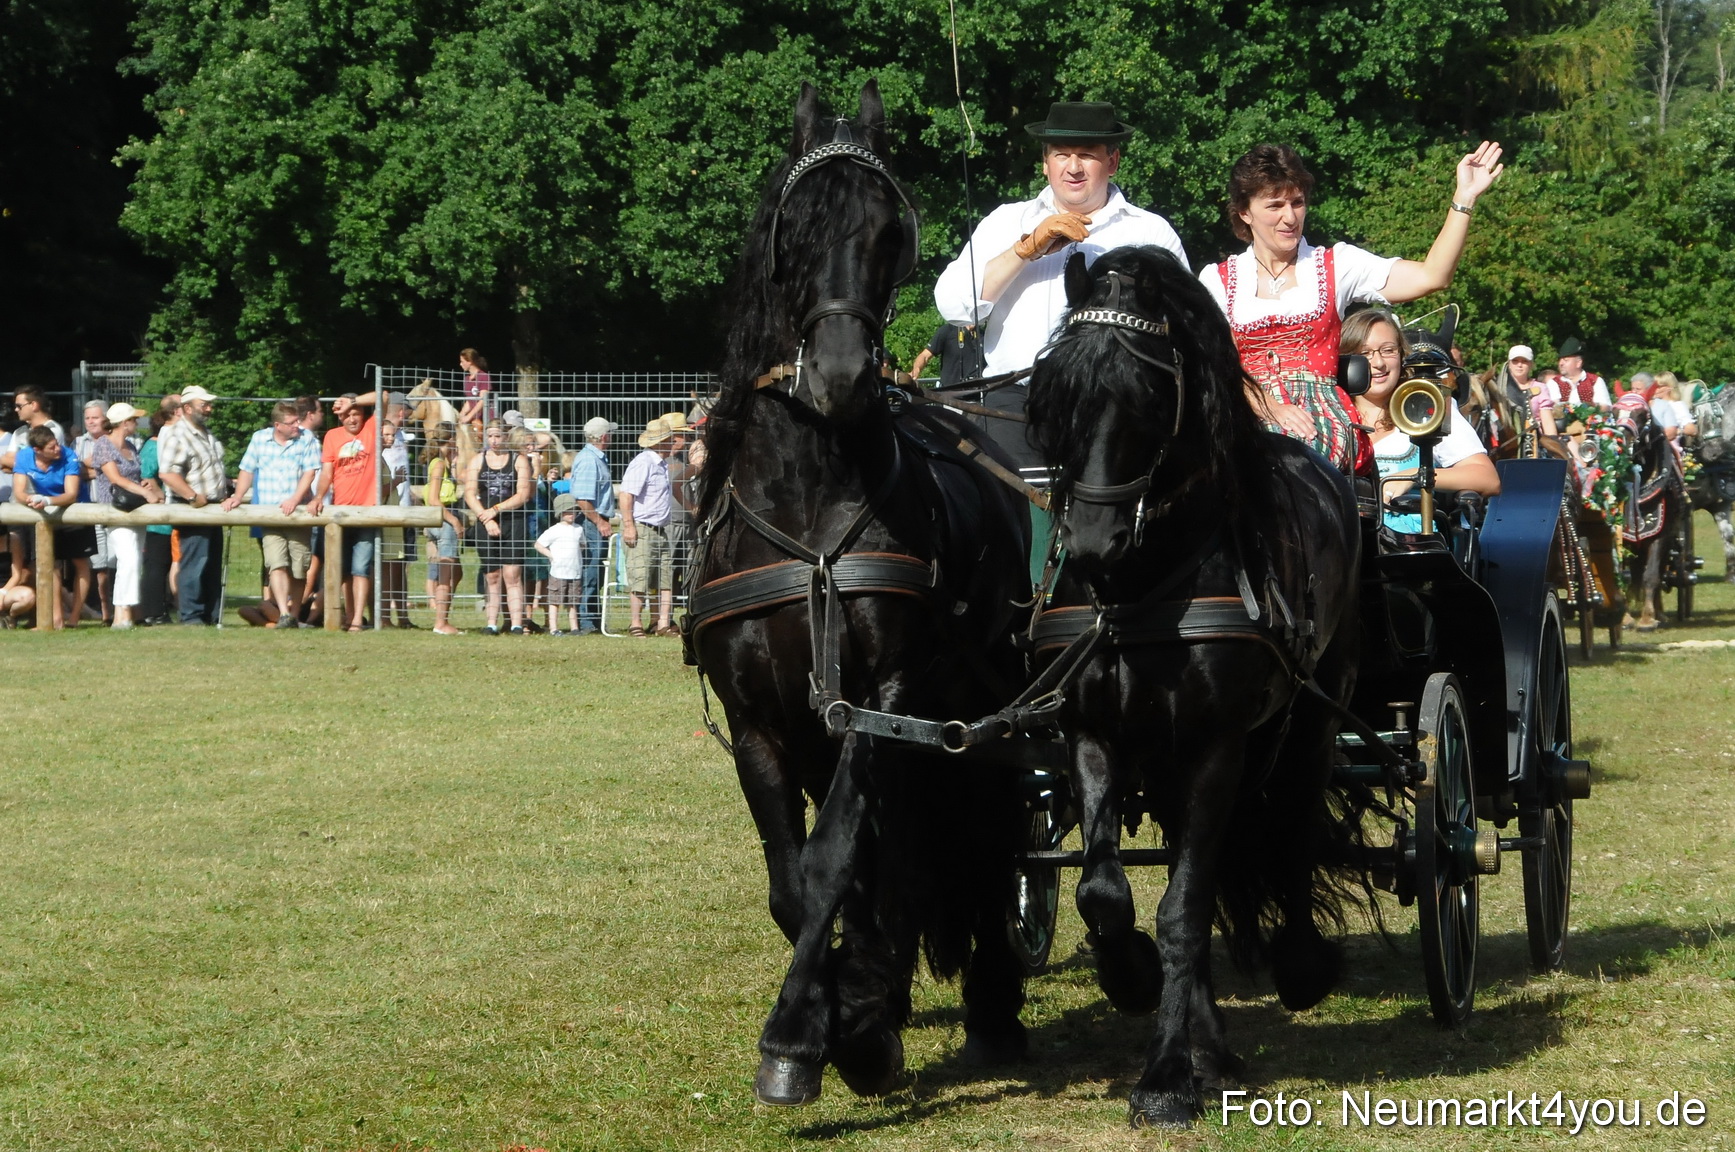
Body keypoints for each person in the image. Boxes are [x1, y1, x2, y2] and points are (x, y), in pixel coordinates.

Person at [1202, 141, 1504, 473]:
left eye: (1298, 203)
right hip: (1242, 408)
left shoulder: (1336, 265)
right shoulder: (1217, 280)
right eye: (1275, 205)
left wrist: (1464, 198)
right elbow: (1219, 366)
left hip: (1316, 418)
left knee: (1291, 452)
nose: (1289, 217)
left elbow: (1432, 276)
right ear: (1245, 212)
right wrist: (1270, 407)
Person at [934, 101, 1188, 476]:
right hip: (1015, 402)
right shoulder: (1006, 221)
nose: (1073, 167)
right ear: (1045, 163)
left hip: (1114, 408)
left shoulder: (1150, 232)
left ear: (1113, 162)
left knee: (1102, 528)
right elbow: (955, 307)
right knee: (1021, 520)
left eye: (1086, 155)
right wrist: (1026, 249)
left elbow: (1184, 327)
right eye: (1061, 155)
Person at [1342, 310, 1500, 536]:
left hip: (1409, 548)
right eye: (1364, 353)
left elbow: (1487, 478)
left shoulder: (1430, 404)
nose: (1378, 363)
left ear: (1402, 355)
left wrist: (1414, 475)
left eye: (1388, 351)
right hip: (1339, 541)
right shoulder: (1329, 413)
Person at [223, 401, 320, 628]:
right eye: (292, 422)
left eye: (298, 420)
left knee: (299, 567)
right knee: (276, 564)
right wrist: (238, 496)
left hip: (298, 514)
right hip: (268, 513)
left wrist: (295, 499)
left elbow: (310, 472)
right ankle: (284, 614)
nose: (297, 425)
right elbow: (247, 469)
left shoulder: (307, 439)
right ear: (277, 425)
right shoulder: (259, 439)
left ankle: (294, 614)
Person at [157, 384, 230, 625]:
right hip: (193, 509)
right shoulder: (177, 435)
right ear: (187, 408)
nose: (209, 409)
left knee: (211, 564)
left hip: (213, 508)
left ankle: (209, 614)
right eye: (204, 405)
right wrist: (192, 496)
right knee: (194, 563)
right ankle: (191, 616)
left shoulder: (206, 433)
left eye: (209, 405)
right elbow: (167, 473)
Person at [11, 425, 97, 629]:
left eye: (57, 444)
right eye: (52, 447)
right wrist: (30, 499)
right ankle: (57, 618)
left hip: (76, 512)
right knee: (51, 565)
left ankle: (75, 618)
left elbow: (71, 493)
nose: (57, 449)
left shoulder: (69, 456)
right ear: (37, 450)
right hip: (47, 516)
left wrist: (47, 501)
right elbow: (19, 490)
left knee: (81, 564)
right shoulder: (24, 457)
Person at [313, 392, 384, 632]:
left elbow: (383, 396)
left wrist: (351, 401)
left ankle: (357, 621)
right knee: (342, 569)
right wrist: (318, 497)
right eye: (346, 415)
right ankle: (348, 614)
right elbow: (326, 472)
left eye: (356, 414)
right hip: (341, 512)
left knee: (361, 568)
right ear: (339, 418)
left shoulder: (372, 429)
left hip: (367, 511)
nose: (352, 419)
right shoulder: (332, 437)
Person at [90, 402, 161, 628]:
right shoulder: (103, 444)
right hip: (115, 509)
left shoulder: (130, 446)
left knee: (133, 560)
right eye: (133, 419)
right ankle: (122, 613)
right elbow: (115, 479)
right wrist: (144, 492)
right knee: (128, 559)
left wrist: (145, 487)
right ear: (123, 423)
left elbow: (132, 477)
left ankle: (126, 613)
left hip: (135, 509)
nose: (136, 423)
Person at [463, 418, 533, 634]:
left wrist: (496, 510)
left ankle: (516, 624)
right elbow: (469, 493)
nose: (494, 441)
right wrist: (486, 518)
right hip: (487, 522)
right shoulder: (477, 460)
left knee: (512, 574)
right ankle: (491, 623)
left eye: (498, 436)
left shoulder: (518, 460)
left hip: (513, 521)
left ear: (506, 437)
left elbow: (523, 495)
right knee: (491, 575)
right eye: (490, 436)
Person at [619, 417, 679, 637]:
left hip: (661, 529)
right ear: (660, 442)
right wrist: (628, 525)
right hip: (642, 527)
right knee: (640, 576)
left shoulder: (661, 464)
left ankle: (661, 622)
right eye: (669, 439)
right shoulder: (643, 462)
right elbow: (626, 495)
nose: (673, 442)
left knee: (664, 577)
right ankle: (635, 623)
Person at [569, 415, 618, 634]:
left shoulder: (595, 457)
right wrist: (599, 522)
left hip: (595, 520)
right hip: (593, 521)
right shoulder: (590, 461)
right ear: (604, 436)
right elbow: (582, 498)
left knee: (596, 571)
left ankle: (592, 619)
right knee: (591, 571)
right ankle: (587, 621)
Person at [137, 396, 181, 624]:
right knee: (156, 564)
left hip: (171, 517)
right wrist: (160, 497)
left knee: (165, 564)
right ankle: (153, 612)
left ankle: (163, 609)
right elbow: (147, 476)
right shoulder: (152, 447)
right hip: (158, 518)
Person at [75, 399, 118, 623]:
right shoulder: (79, 442)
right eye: (87, 418)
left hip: (114, 507)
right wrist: (102, 469)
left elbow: (119, 469)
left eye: (95, 417)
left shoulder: (117, 439)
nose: (90, 422)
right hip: (90, 508)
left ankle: (120, 609)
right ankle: (105, 614)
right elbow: (76, 471)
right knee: (99, 566)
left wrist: (95, 467)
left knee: (116, 563)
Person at [422, 423, 465, 635]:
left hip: (441, 520)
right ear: (450, 439)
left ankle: (443, 615)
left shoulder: (444, 463)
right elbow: (433, 499)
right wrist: (455, 522)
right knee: (446, 573)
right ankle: (441, 622)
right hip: (443, 520)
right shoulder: (439, 465)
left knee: (456, 572)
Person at [535, 493, 586, 634]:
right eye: (568, 511)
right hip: (558, 572)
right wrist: (552, 556)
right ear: (560, 513)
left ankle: (574, 628)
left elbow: (582, 545)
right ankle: (553, 628)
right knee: (555, 601)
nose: (572, 514)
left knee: (573, 602)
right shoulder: (554, 530)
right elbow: (539, 545)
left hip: (575, 572)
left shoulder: (579, 529)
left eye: (574, 511)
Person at [659, 411, 697, 596]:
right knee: (668, 568)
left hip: (688, 521)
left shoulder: (685, 457)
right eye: (684, 434)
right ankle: (664, 613)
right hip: (669, 522)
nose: (688, 437)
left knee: (688, 565)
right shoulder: (660, 460)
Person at [1541, 337, 1611, 416]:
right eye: (1560, 360)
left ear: (1578, 363)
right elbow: (1552, 407)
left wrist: (1588, 407)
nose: (1561, 363)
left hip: (1590, 425)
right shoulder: (1553, 383)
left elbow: (1605, 407)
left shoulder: (1595, 381)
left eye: (1566, 360)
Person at [909, 321, 986, 388]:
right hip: (951, 396)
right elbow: (925, 356)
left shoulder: (984, 335)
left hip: (978, 395)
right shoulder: (947, 330)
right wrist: (916, 369)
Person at [456, 348, 492, 436]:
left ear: (470, 362)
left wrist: (469, 416)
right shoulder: (466, 379)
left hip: (486, 417)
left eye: (462, 361)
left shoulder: (484, 377)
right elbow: (469, 401)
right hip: (474, 418)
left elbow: (483, 400)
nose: (460, 364)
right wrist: (461, 415)